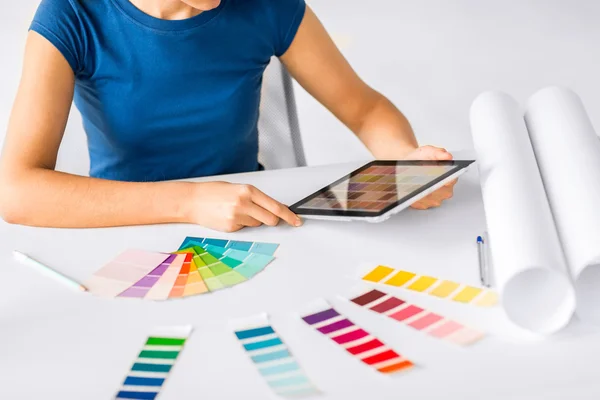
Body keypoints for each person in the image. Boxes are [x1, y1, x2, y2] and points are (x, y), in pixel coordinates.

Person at [0, 0, 456, 232]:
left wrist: (404, 165)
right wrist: (188, 203)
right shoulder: (71, 15)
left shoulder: (267, 7)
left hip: (250, 223)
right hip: (127, 226)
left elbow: (365, 109)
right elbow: (16, 191)